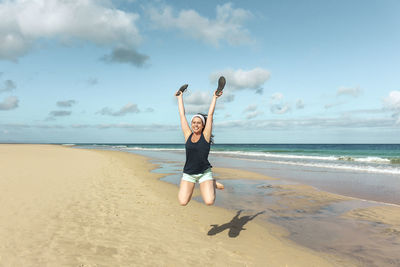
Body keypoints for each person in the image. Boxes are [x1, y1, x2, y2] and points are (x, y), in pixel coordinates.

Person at [175, 78, 225, 206]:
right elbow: (182, 115)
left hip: (204, 173)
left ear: (203, 125)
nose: (196, 125)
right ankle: (210, 184)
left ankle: (211, 182)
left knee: (209, 201)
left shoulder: (206, 136)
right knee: (183, 202)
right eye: (194, 122)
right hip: (189, 173)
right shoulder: (188, 135)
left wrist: (214, 98)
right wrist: (180, 98)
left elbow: (211, 114)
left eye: (199, 123)